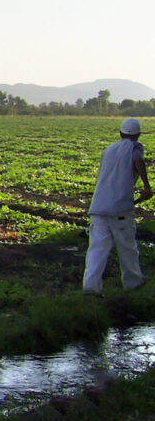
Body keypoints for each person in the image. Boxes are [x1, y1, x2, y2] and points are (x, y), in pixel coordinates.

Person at [83, 117, 152, 293]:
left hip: (98, 207)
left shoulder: (109, 149)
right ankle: (133, 283)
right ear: (138, 135)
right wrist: (146, 186)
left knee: (97, 249)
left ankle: (91, 288)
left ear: (120, 133)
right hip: (119, 208)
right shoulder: (135, 147)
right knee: (127, 246)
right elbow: (138, 160)